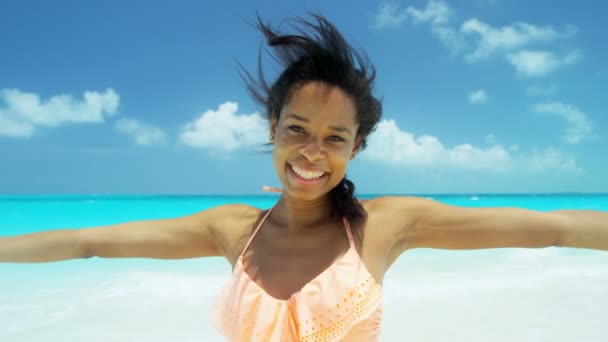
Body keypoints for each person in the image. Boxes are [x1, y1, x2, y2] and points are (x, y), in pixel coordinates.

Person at [1, 14, 607, 342]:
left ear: (356, 147)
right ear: (273, 127)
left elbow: (550, 228)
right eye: (297, 129)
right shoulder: (232, 230)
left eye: (334, 138)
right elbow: (86, 243)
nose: (311, 152)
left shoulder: (383, 225)